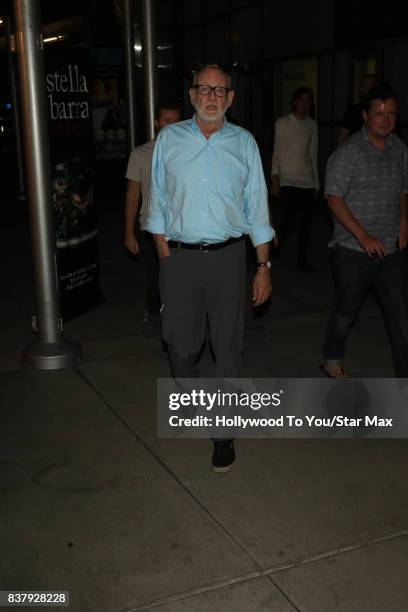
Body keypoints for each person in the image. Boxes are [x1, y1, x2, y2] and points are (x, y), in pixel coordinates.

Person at [145, 65, 274, 472]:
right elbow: (158, 203)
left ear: (231, 98)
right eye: (204, 88)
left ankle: (223, 433)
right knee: (179, 346)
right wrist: (164, 252)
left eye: (220, 90)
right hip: (179, 259)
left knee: (228, 347)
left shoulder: (245, 143)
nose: (212, 96)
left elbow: (258, 208)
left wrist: (263, 265)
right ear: (192, 94)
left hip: (228, 258)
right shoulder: (170, 139)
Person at [321, 83, 408, 379]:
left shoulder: (400, 149)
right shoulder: (349, 152)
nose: (386, 119)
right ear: (365, 116)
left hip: (390, 250)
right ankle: (332, 358)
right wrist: (363, 235)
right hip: (352, 251)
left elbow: (403, 190)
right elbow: (333, 197)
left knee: (400, 318)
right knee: (346, 313)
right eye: (379, 113)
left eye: (392, 114)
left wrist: (404, 222)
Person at [124, 103, 181, 337]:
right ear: (157, 123)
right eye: (166, 120)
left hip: (181, 229)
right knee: (155, 277)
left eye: (175, 121)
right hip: (149, 227)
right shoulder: (140, 154)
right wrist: (128, 232)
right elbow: (132, 194)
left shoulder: (189, 153)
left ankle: (179, 317)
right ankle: (153, 313)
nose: (170, 125)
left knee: (180, 279)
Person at [270, 86, 319, 272]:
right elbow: (277, 151)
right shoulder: (283, 123)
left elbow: (313, 153)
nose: (305, 104)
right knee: (289, 220)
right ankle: (276, 245)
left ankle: (302, 260)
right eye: (302, 100)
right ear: (295, 101)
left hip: (306, 180)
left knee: (306, 223)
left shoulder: (312, 125)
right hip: (288, 179)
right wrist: (275, 176)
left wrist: (316, 182)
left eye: (309, 101)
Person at [337, 73, 377, 146]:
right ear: (361, 88)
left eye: (373, 86)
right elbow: (342, 137)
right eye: (367, 85)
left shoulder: (382, 111)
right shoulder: (353, 111)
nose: (370, 89)